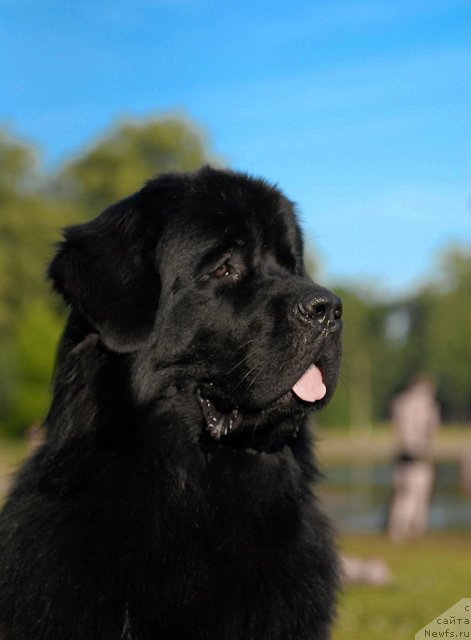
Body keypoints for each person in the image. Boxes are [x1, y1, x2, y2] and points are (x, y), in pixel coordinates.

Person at [387, 376, 440, 542]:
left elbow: (397, 427)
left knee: (402, 496)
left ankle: (396, 530)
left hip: (401, 455)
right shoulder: (428, 405)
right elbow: (432, 430)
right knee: (418, 497)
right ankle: (413, 532)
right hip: (420, 455)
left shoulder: (400, 402)